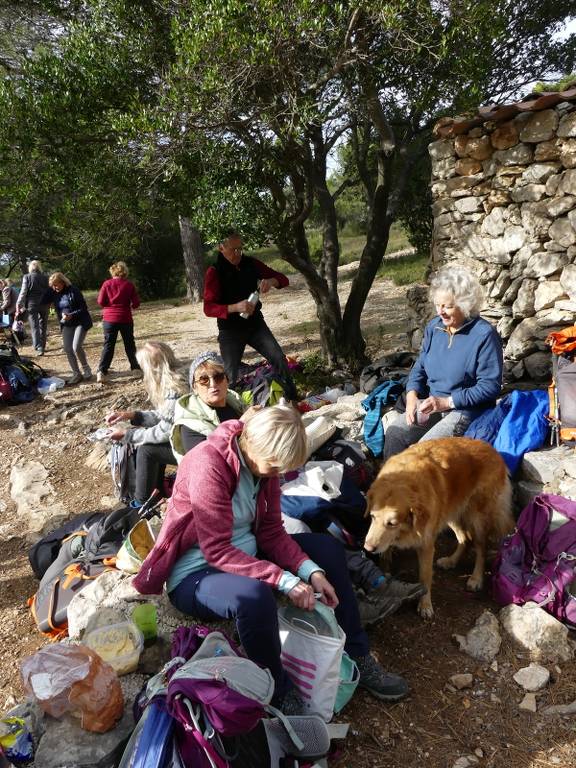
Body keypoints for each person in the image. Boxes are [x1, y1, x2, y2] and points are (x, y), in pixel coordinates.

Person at [134, 405, 409, 712]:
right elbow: (216, 549)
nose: (277, 475)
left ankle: (358, 653)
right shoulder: (208, 464)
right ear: (252, 444)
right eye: (275, 466)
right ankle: (277, 688)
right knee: (255, 595)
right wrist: (285, 580)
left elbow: (270, 532)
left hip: (247, 551)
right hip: (197, 573)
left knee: (327, 551)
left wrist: (310, 571)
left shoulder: (263, 467)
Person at [382, 264, 503, 461]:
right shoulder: (434, 327)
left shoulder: (484, 335)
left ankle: (421, 491)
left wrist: (447, 402)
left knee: (423, 452)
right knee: (395, 434)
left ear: (465, 304)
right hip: (433, 405)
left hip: (465, 411)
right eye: (438, 305)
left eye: (447, 306)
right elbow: (420, 365)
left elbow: (490, 386)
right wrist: (412, 395)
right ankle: (389, 488)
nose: (441, 312)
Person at [203, 229, 298, 401]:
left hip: (255, 325)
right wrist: (234, 307)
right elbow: (208, 308)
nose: (238, 253)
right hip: (230, 330)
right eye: (234, 250)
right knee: (229, 375)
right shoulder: (214, 272)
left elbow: (283, 279)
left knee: (278, 358)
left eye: (241, 249)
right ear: (221, 247)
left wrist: (271, 281)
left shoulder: (250, 263)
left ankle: (293, 399)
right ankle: (230, 411)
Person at [106, 341, 187, 506]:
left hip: (194, 447)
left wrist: (127, 435)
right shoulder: (177, 377)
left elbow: (164, 431)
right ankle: (157, 491)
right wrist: (131, 416)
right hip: (190, 438)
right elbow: (164, 417)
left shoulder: (174, 388)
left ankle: (141, 502)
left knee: (147, 449)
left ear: (152, 368)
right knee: (151, 441)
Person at [170, 350, 246, 463]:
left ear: (227, 380)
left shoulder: (237, 403)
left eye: (218, 377)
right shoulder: (189, 424)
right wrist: (243, 423)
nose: (213, 384)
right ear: (194, 387)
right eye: (203, 380)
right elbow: (211, 464)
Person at [96, 261, 141, 384]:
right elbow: (136, 304)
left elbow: (100, 301)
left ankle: (102, 371)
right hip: (125, 318)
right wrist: (129, 304)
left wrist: (109, 306)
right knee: (129, 344)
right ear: (124, 272)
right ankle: (135, 368)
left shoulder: (106, 284)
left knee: (108, 345)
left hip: (109, 319)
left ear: (113, 272)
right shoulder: (129, 285)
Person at [46, 272, 93, 384]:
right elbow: (57, 308)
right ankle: (76, 373)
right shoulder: (55, 293)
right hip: (66, 323)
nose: (54, 287)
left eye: (56, 285)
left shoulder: (74, 291)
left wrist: (72, 314)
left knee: (76, 346)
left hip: (80, 321)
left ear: (63, 282)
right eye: (52, 285)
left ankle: (86, 369)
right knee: (67, 348)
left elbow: (83, 308)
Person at [16, 260, 50, 356]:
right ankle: (42, 345)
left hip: (32, 305)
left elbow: (23, 292)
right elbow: (49, 291)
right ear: (39, 267)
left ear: (30, 268)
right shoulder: (45, 277)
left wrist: (18, 303)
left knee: (34, 326)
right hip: (45, 304)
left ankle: (38, 347)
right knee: (43, 325)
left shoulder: (27, 277)